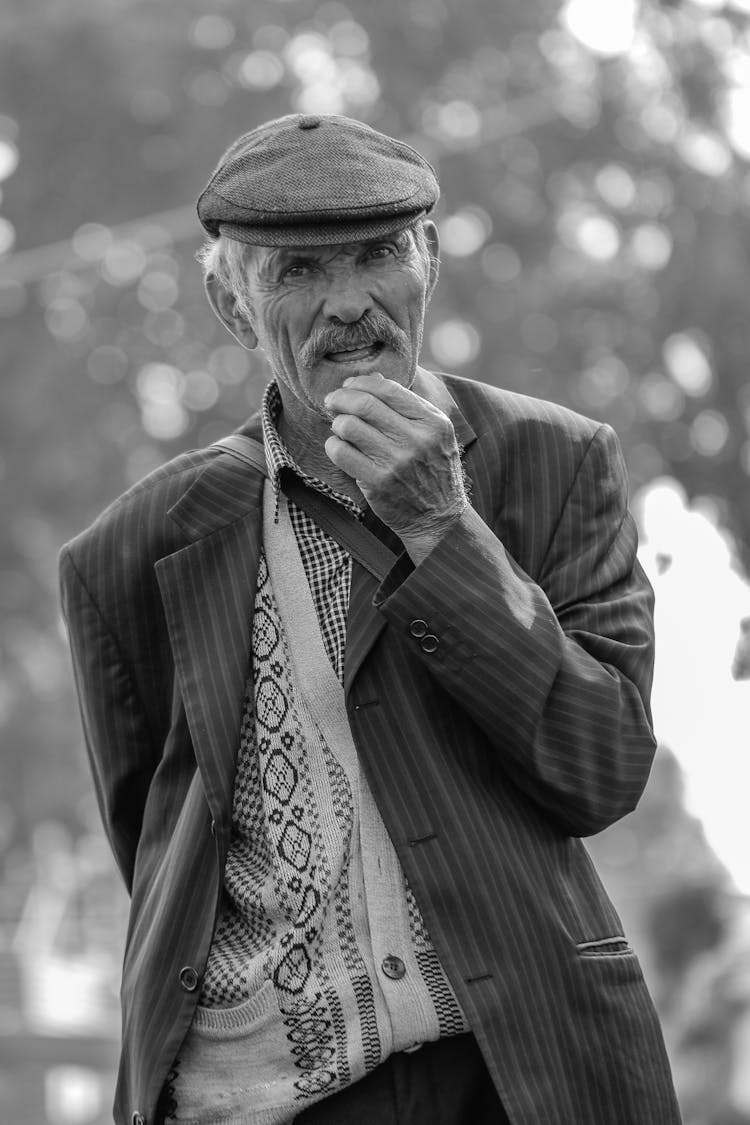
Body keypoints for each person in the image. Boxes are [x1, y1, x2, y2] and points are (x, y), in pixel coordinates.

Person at [59, 113, 682, 1125]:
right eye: (298, 272)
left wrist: (444, 525)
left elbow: (600, 767)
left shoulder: (553, 466)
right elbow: (160, 857)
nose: (349, 304)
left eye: (378, 255)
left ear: (428, 263)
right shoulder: (130, 553)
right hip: (253, 1098)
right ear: (230, 302)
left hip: (518, 1077)